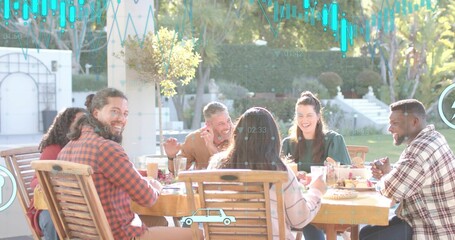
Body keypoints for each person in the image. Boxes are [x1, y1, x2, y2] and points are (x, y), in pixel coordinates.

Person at [57, 88, 199, 240]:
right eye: (114, 111)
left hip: (83, 233)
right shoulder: (106, 148)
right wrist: (156, 186)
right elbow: (147, 198)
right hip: (119, 234)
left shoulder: (65, 151)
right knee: (200, 235)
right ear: (96, 113)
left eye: (125, 114)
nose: (121, 119)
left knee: (159, 221)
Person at [208, 107, 326, 240]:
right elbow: (299, 219)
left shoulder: (215, 165)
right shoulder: (279, 172)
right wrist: (316, 190)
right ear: (273, 138)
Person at [360, 99, 455, 240]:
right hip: (421, 218)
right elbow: (411, 179)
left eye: (395, 123)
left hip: (433, 230)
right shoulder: (433, 137)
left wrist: (386, 177)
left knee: (369, 237)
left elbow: (388, 192)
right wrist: (391, 173)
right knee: (365, 233)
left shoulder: (419, 152)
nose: (389, 128)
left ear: (414, 122)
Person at [281, 91, 351, 240]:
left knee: (306, 211)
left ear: (318, 117)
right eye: (300, 115)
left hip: (330, 199)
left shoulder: (333, 140)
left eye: (309, 115)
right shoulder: (288, 144)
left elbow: (345, 174)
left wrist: (327, 173)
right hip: (299, 202)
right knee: (304, 209)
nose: (304, 120)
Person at [30, 107, 87, 240]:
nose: (84, 126)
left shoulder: (84, 147)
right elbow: (35, 182)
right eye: (80, 122)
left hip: (74, 205)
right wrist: (57, 183)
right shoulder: (54, 149)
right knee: (54, 221)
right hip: (50, 207)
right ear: (66, 125)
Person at [164, 101, 233, 172]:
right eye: (221, 124)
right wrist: (171, 156)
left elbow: (227, 170)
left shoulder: (238, 137)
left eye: (228, 120)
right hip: (203, 182)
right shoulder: (194, 139)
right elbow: (178, 171)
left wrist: (211, 147)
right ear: (208, 125)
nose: (228, 126)